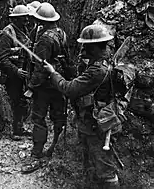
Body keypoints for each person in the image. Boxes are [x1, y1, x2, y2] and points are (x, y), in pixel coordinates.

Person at [44, 24, 120, 189]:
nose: (83, 48)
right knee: (90, 161)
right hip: (91, 121)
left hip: (95, 124)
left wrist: (53, 73)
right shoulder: (103, 62)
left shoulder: (97, 71)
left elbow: (69, 89)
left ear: (93, 47)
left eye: (86, 45)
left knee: (104, 167)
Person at [22, 2, 73, 173]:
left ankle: (36, 154)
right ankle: (55, 149)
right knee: (58, 117)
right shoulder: (61, 33)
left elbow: (40, 66)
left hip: (45, 86)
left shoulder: (45, 38)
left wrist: (31, 86)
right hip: (59, 83)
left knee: (38, 118)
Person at [0, 5, 31, 141]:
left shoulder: (23, 30)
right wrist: (16, 71)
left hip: (22, 73)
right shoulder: (7, 33)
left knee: (22, 101)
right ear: (16, 19)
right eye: (23, 18)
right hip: (12, 76)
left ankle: (20, 127)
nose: (26, 20)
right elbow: (1, 58)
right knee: (14, 101)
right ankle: (13, 130)